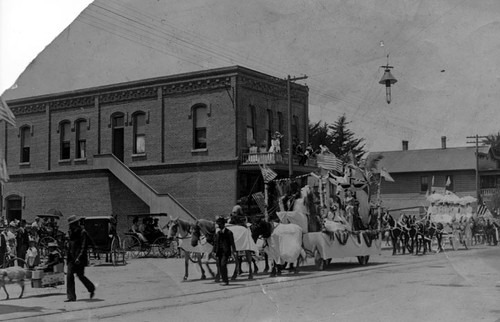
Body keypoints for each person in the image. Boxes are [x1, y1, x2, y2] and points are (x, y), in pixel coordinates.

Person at [65, 215, 96, 302]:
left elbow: (83, 247)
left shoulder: (82, 232)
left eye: (72, 224)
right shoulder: (71, 233)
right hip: (71, 258)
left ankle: (91, 288)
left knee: (80, 275)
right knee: (69, 276)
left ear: (76, 224)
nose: (70, 226)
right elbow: (69, 246)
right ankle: (71, 297)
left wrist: (79, 257)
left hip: (79, 259)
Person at [213, 216, 236, 286]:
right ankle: (224, 280)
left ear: (223, 224)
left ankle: (226, 281)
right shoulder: (218, 233)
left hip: (225, 252)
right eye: (218, 224)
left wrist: (234, 252)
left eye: (220, 224)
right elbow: (216, 243)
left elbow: (232, 243)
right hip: (219, 252)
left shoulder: (229, 233)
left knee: (223, 265)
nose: (219, 225)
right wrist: (214, 251)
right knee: (220, 266)